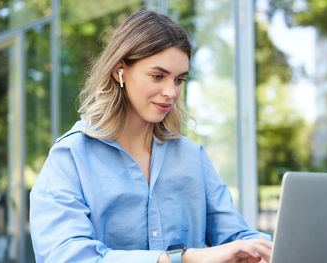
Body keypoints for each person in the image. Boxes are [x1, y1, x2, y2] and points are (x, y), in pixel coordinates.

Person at [29, 10, 272, 263]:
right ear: (119, 71)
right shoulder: (71, 157)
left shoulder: (192, 157)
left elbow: (235, 238)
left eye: (179, 80)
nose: (171, 92)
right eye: (158, 76)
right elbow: (64, 255)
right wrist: (181, 259)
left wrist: (264, 249)